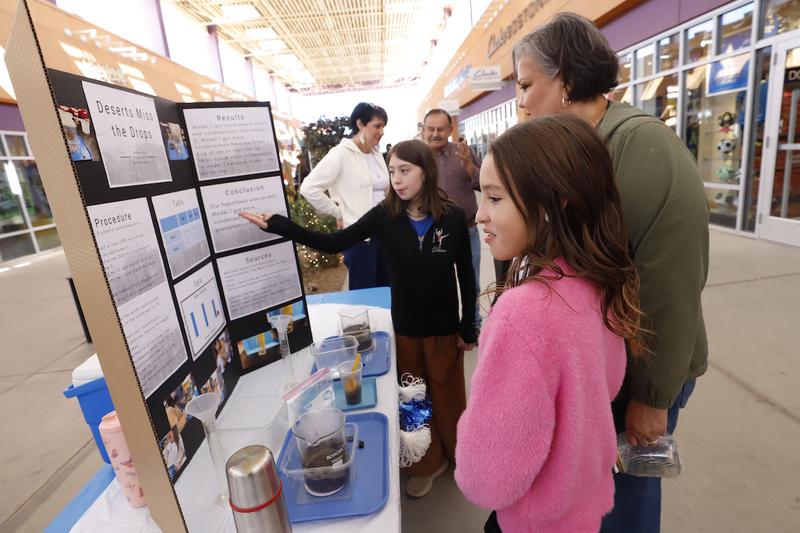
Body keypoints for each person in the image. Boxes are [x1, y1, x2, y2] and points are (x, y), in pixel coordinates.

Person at [511, 13, 709, 532]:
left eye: (528, 85)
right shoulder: (583, 149)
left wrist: (652, 397)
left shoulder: (640, 148)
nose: (522, 102)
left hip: (640, 376)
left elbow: (669, 286)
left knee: (624, 507)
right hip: (603, 368)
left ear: (568, 81)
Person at [240, 140, 478, 498]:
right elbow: (336, 242)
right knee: (414, 400)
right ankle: (426, 461)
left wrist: (467, 325)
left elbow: (466, 274)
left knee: (449, 397)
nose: (395, 179)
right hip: (406, 331)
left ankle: (464, 457)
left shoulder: (453, 217)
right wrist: (282, 226)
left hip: (445, 329)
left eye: (405, 170)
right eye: (392, 170)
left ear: (426, 172)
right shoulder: (385, 215)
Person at [455, 114, 648, 533]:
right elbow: (608, 384)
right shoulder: (596, 280)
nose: (479, 215)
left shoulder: (522, 314)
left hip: (532, 521)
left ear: (552, 201)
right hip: (582, 509)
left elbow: (487, 478)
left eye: (495, 198)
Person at [299, 102, 391, 289]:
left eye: (383, 127)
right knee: (363, 292)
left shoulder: (376, 155)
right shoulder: (341, 154)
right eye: (377, 126)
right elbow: (308, 188)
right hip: (359, 237)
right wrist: (337, 212)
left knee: (387, 288)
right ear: (360, 125)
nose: (381, 131)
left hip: (385, 232)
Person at [422, 109, 484, 331]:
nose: (435, 134)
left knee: (471, 282)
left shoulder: (463, 152)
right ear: (424, 130)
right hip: (432, 233)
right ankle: (444, 326)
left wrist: (468, 165)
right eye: (431, 129)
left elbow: (483, 184)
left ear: (450, 130)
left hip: (468, 232)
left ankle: (473, 323)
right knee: (438, 284)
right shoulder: (417, 157)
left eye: (441, 129)